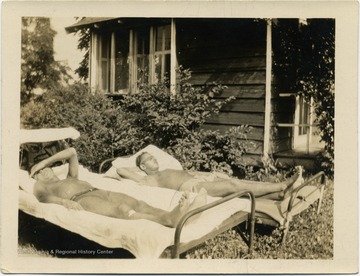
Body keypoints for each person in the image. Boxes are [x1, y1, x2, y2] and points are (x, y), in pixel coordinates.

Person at [30, 148, 207, 228]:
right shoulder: (42, 186)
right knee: (122, 210)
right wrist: (64, 202)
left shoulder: (70, 177)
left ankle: (177, 216)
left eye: (45, 168)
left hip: (99, 191)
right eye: (39, 172)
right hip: (83, 199)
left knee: (138, 203)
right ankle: (167, 220)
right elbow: (42, 197)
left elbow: (72, 152)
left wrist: (45, 161)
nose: (44, 172)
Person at [116, 152, 304, 199]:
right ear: (142, 165)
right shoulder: (147, 179)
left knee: (236, 182)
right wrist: (137, 169)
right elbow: (120, 170)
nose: (154, 159)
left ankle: (280, 194)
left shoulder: (165, 170)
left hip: (199, 179)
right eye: (149, 159)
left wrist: (211, 174)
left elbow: (189, 172)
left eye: (153, 156)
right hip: (192, 188)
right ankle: (282, 185)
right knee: (233, 188)